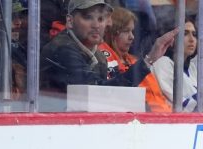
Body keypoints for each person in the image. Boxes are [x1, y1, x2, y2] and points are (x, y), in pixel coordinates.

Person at [39, 0, 176, 111]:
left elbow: (109, 91)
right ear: (70, 21)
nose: (96, 25)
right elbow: (100, 95)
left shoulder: (97, 53)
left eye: (101, 19)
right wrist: (149, 59)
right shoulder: (64, 50)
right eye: (88, 17)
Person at [100, 6, 171, 111]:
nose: (132, 37)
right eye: (126, 31)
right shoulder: (102, 59)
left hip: (164, 119)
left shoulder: (136, 61)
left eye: (132, 31)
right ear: (112, 32)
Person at [153, 18, 203, 111]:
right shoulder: (162, 64)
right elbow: (180, 105)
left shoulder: (193, 68)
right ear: (171, 39)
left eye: (194, 34)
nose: (192, 39)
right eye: (185, 34)